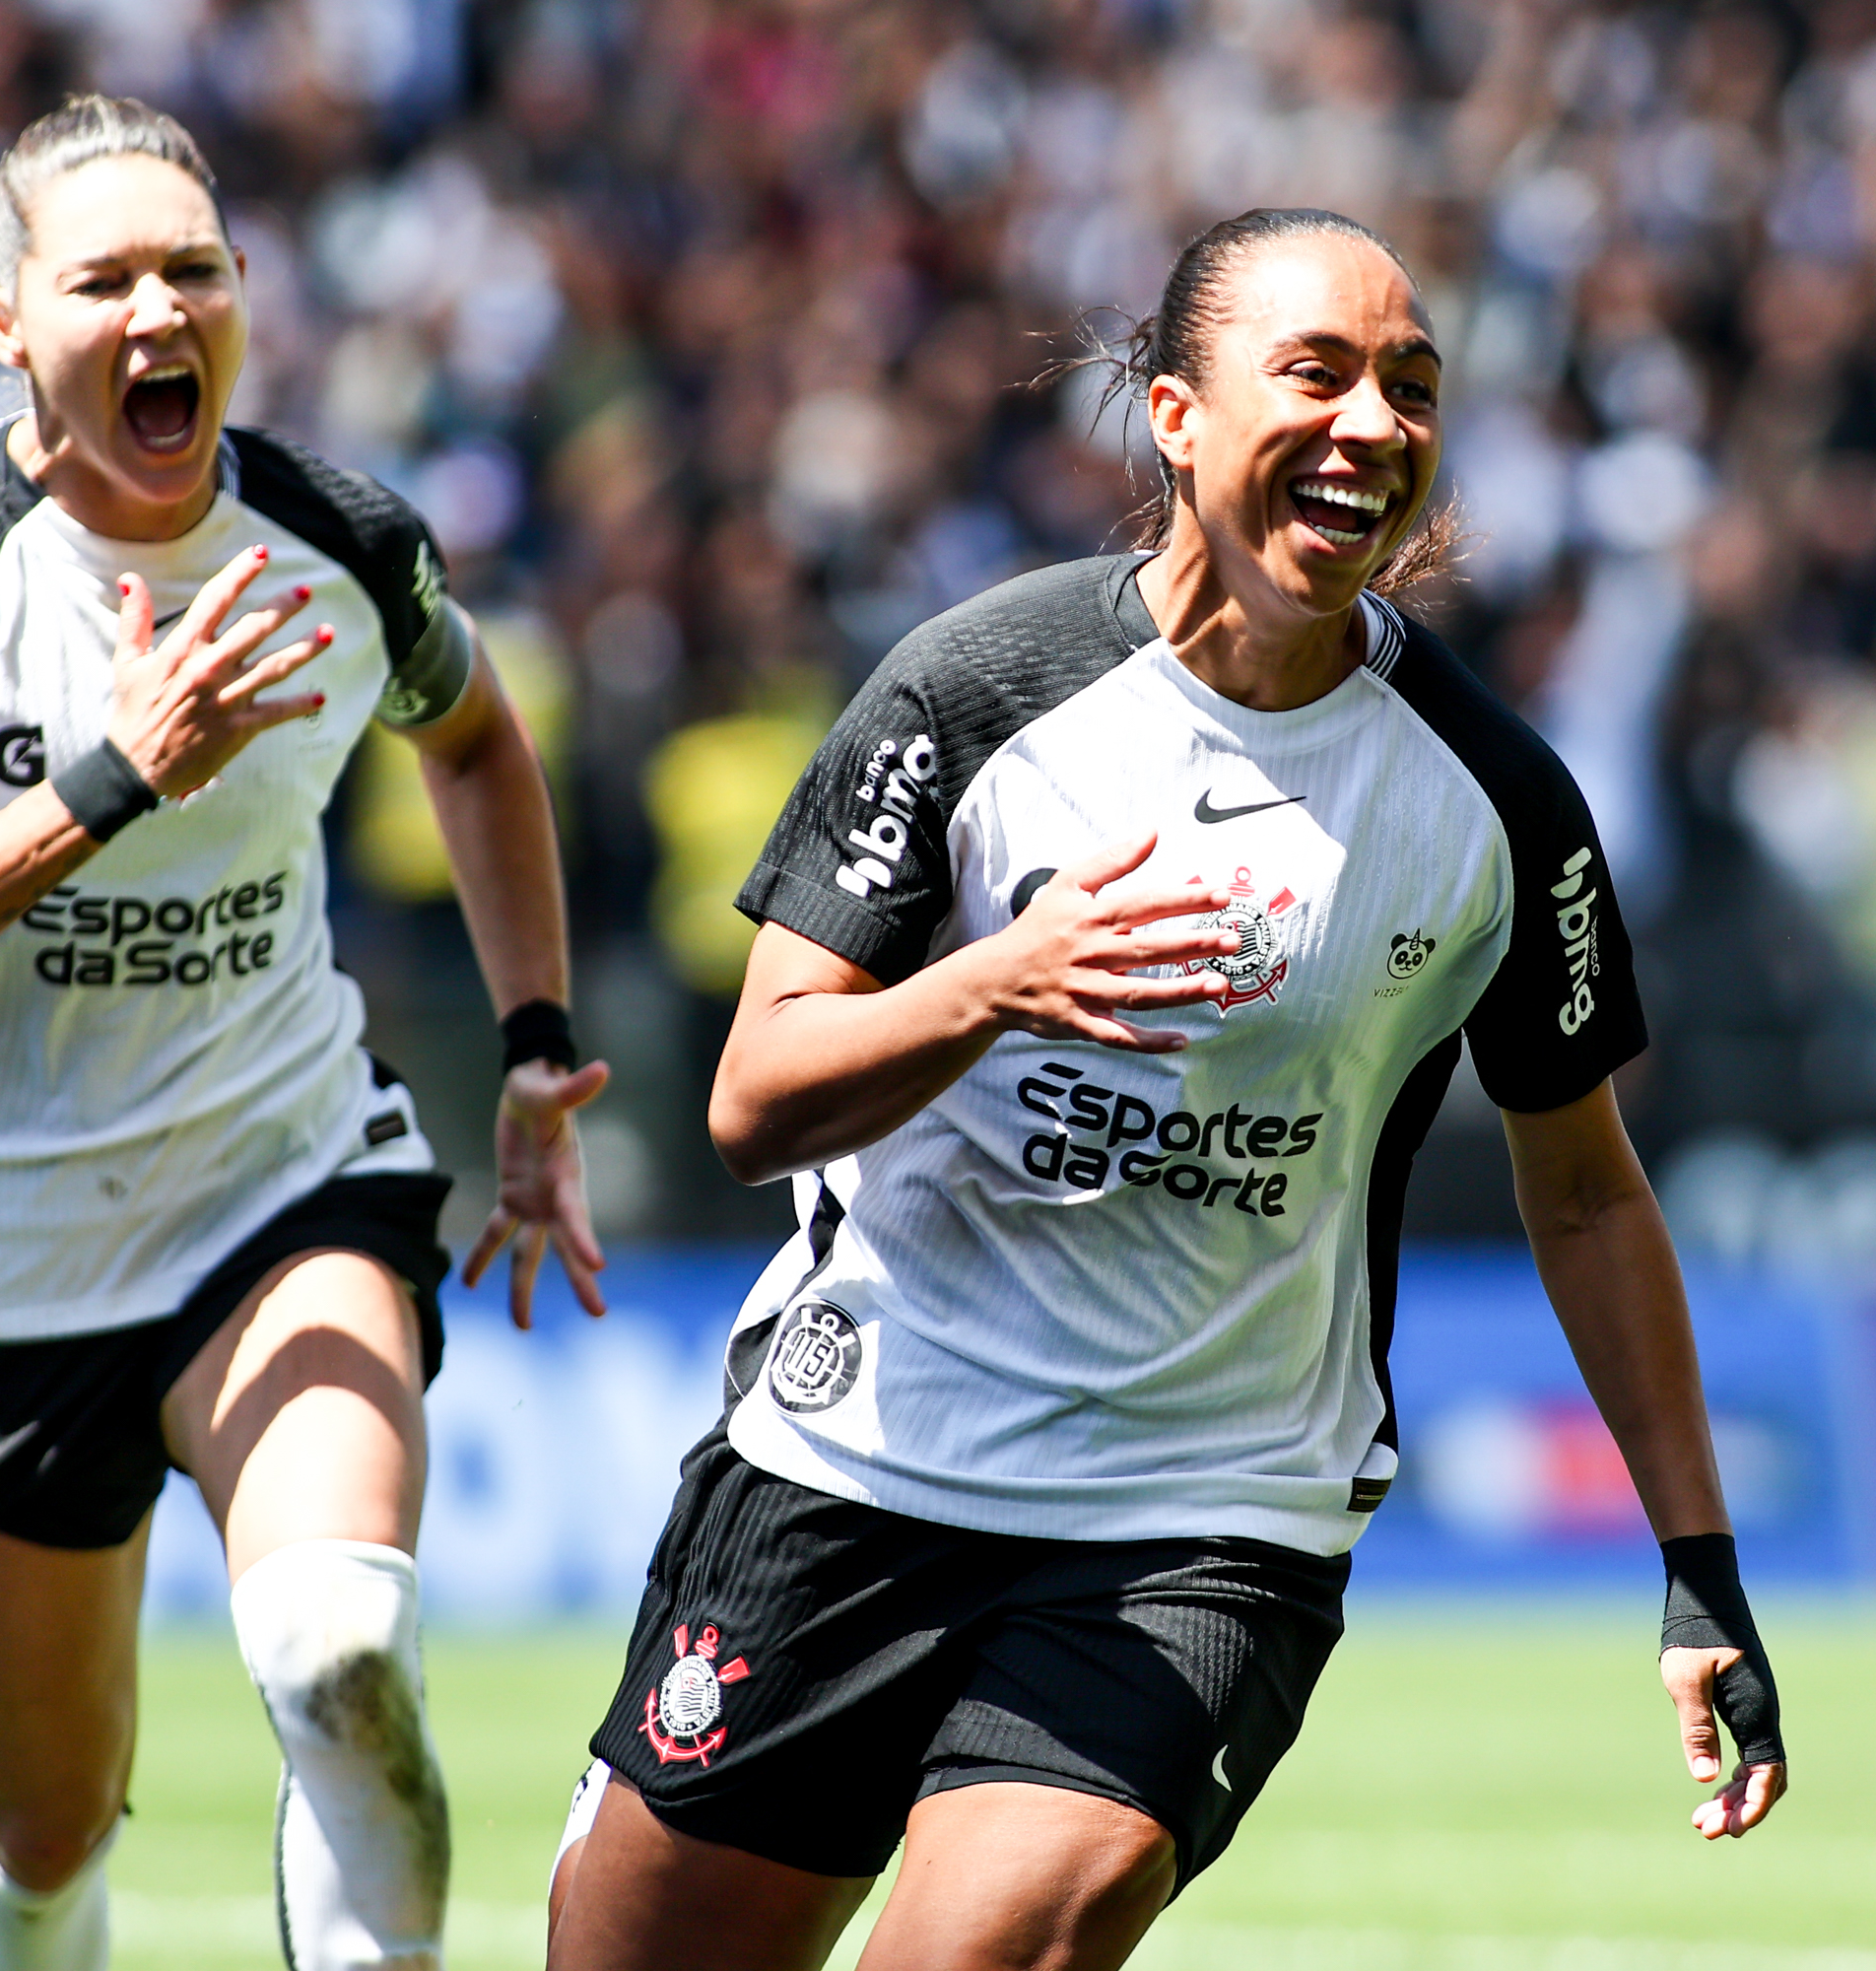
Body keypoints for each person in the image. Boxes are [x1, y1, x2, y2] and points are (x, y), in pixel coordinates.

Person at [544, 208, 1787, 1971]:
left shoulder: (1498, 800)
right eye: (1319, 372)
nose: (1375, 423)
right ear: (1173, 413)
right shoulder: (973, 692)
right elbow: (758, 1097)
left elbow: (1585, 1186)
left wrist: (1697, 1568)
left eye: (1413, 388)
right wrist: (998, 984)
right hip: (857, 1460)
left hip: (1203, 1520)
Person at [0, 95, 607, 1971]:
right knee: (42, 1830)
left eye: (196, 270)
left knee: (339, 1650)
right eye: (106, 277)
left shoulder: (338, 541)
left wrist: (534, 1033)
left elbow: (472, 736)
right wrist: (108, 782)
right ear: (7, 327)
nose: (162, 307)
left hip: (279, 1182)